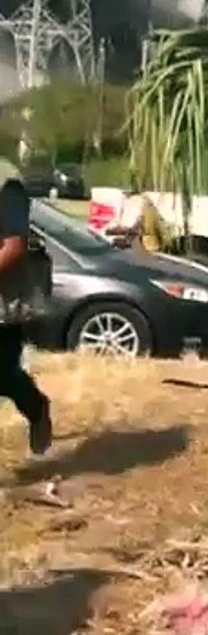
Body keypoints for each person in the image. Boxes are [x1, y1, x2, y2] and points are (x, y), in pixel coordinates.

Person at [0, 159, 53, 456]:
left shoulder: (7, 185)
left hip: (3, 304)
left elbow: (14, 245)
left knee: (3, 375)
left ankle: (36, 407)